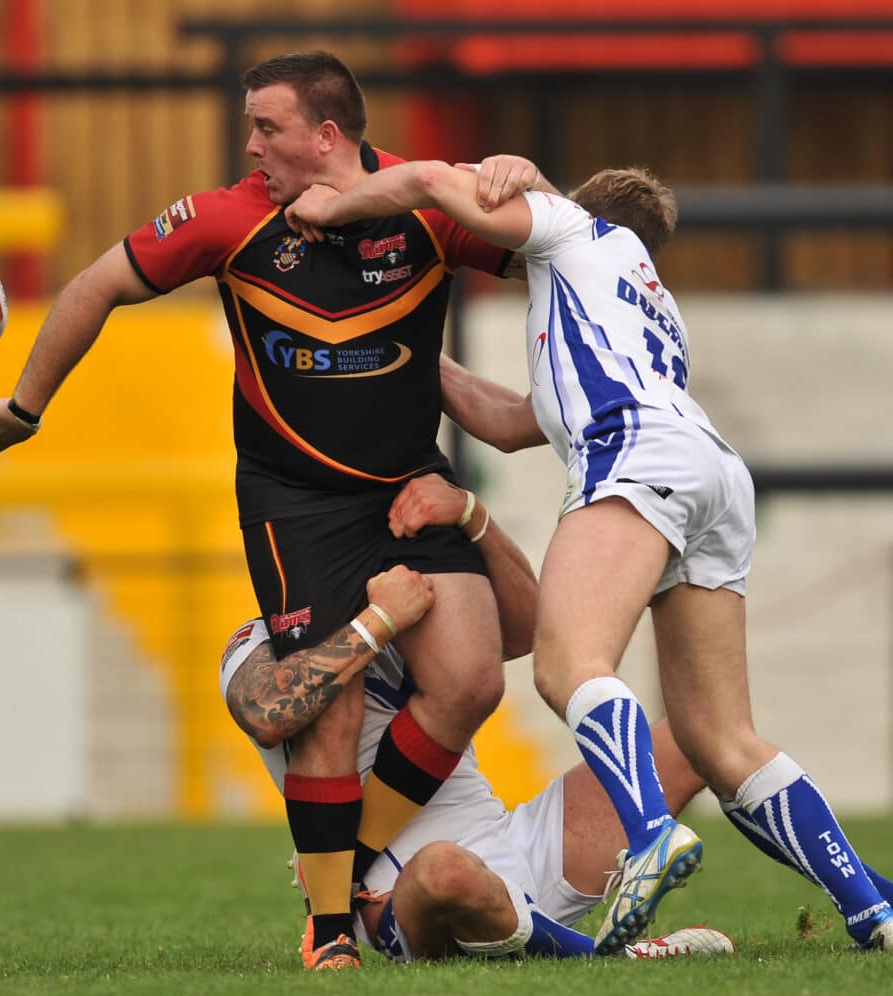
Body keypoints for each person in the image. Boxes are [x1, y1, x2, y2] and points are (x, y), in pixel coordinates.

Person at [0, 50, 544, 968]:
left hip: (407, 486)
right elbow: (96, 284)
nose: (250, 144)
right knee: (330, 709)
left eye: (268, 127)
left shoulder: (426, 205)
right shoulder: (229, 216)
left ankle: (336, 865)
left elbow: (559, 248)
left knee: (470, 680)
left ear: (327, 136)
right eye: (250, 126)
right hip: (294, 503)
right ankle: (333, 929)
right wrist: (24, 408)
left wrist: (524, 179)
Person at [285, 163, 893, 953]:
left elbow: (432, 182)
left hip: (635, 456)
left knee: (565, 664)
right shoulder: (644, 303)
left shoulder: (570, 228)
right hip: (711, 470)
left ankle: (650, 837)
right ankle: (872, 906)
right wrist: (393, 347)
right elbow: (507, 422)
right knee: (720, 736)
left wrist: (333, 205)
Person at [221, 473, 734, 964]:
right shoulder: (260, 642)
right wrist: (378, 622)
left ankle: (813, 883)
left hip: (509, 839)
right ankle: (620, 957)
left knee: (701, 732)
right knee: (445, 870)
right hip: (402, 887)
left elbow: (533, 629)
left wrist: (472, 513)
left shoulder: (426, 608)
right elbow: (266, 713)